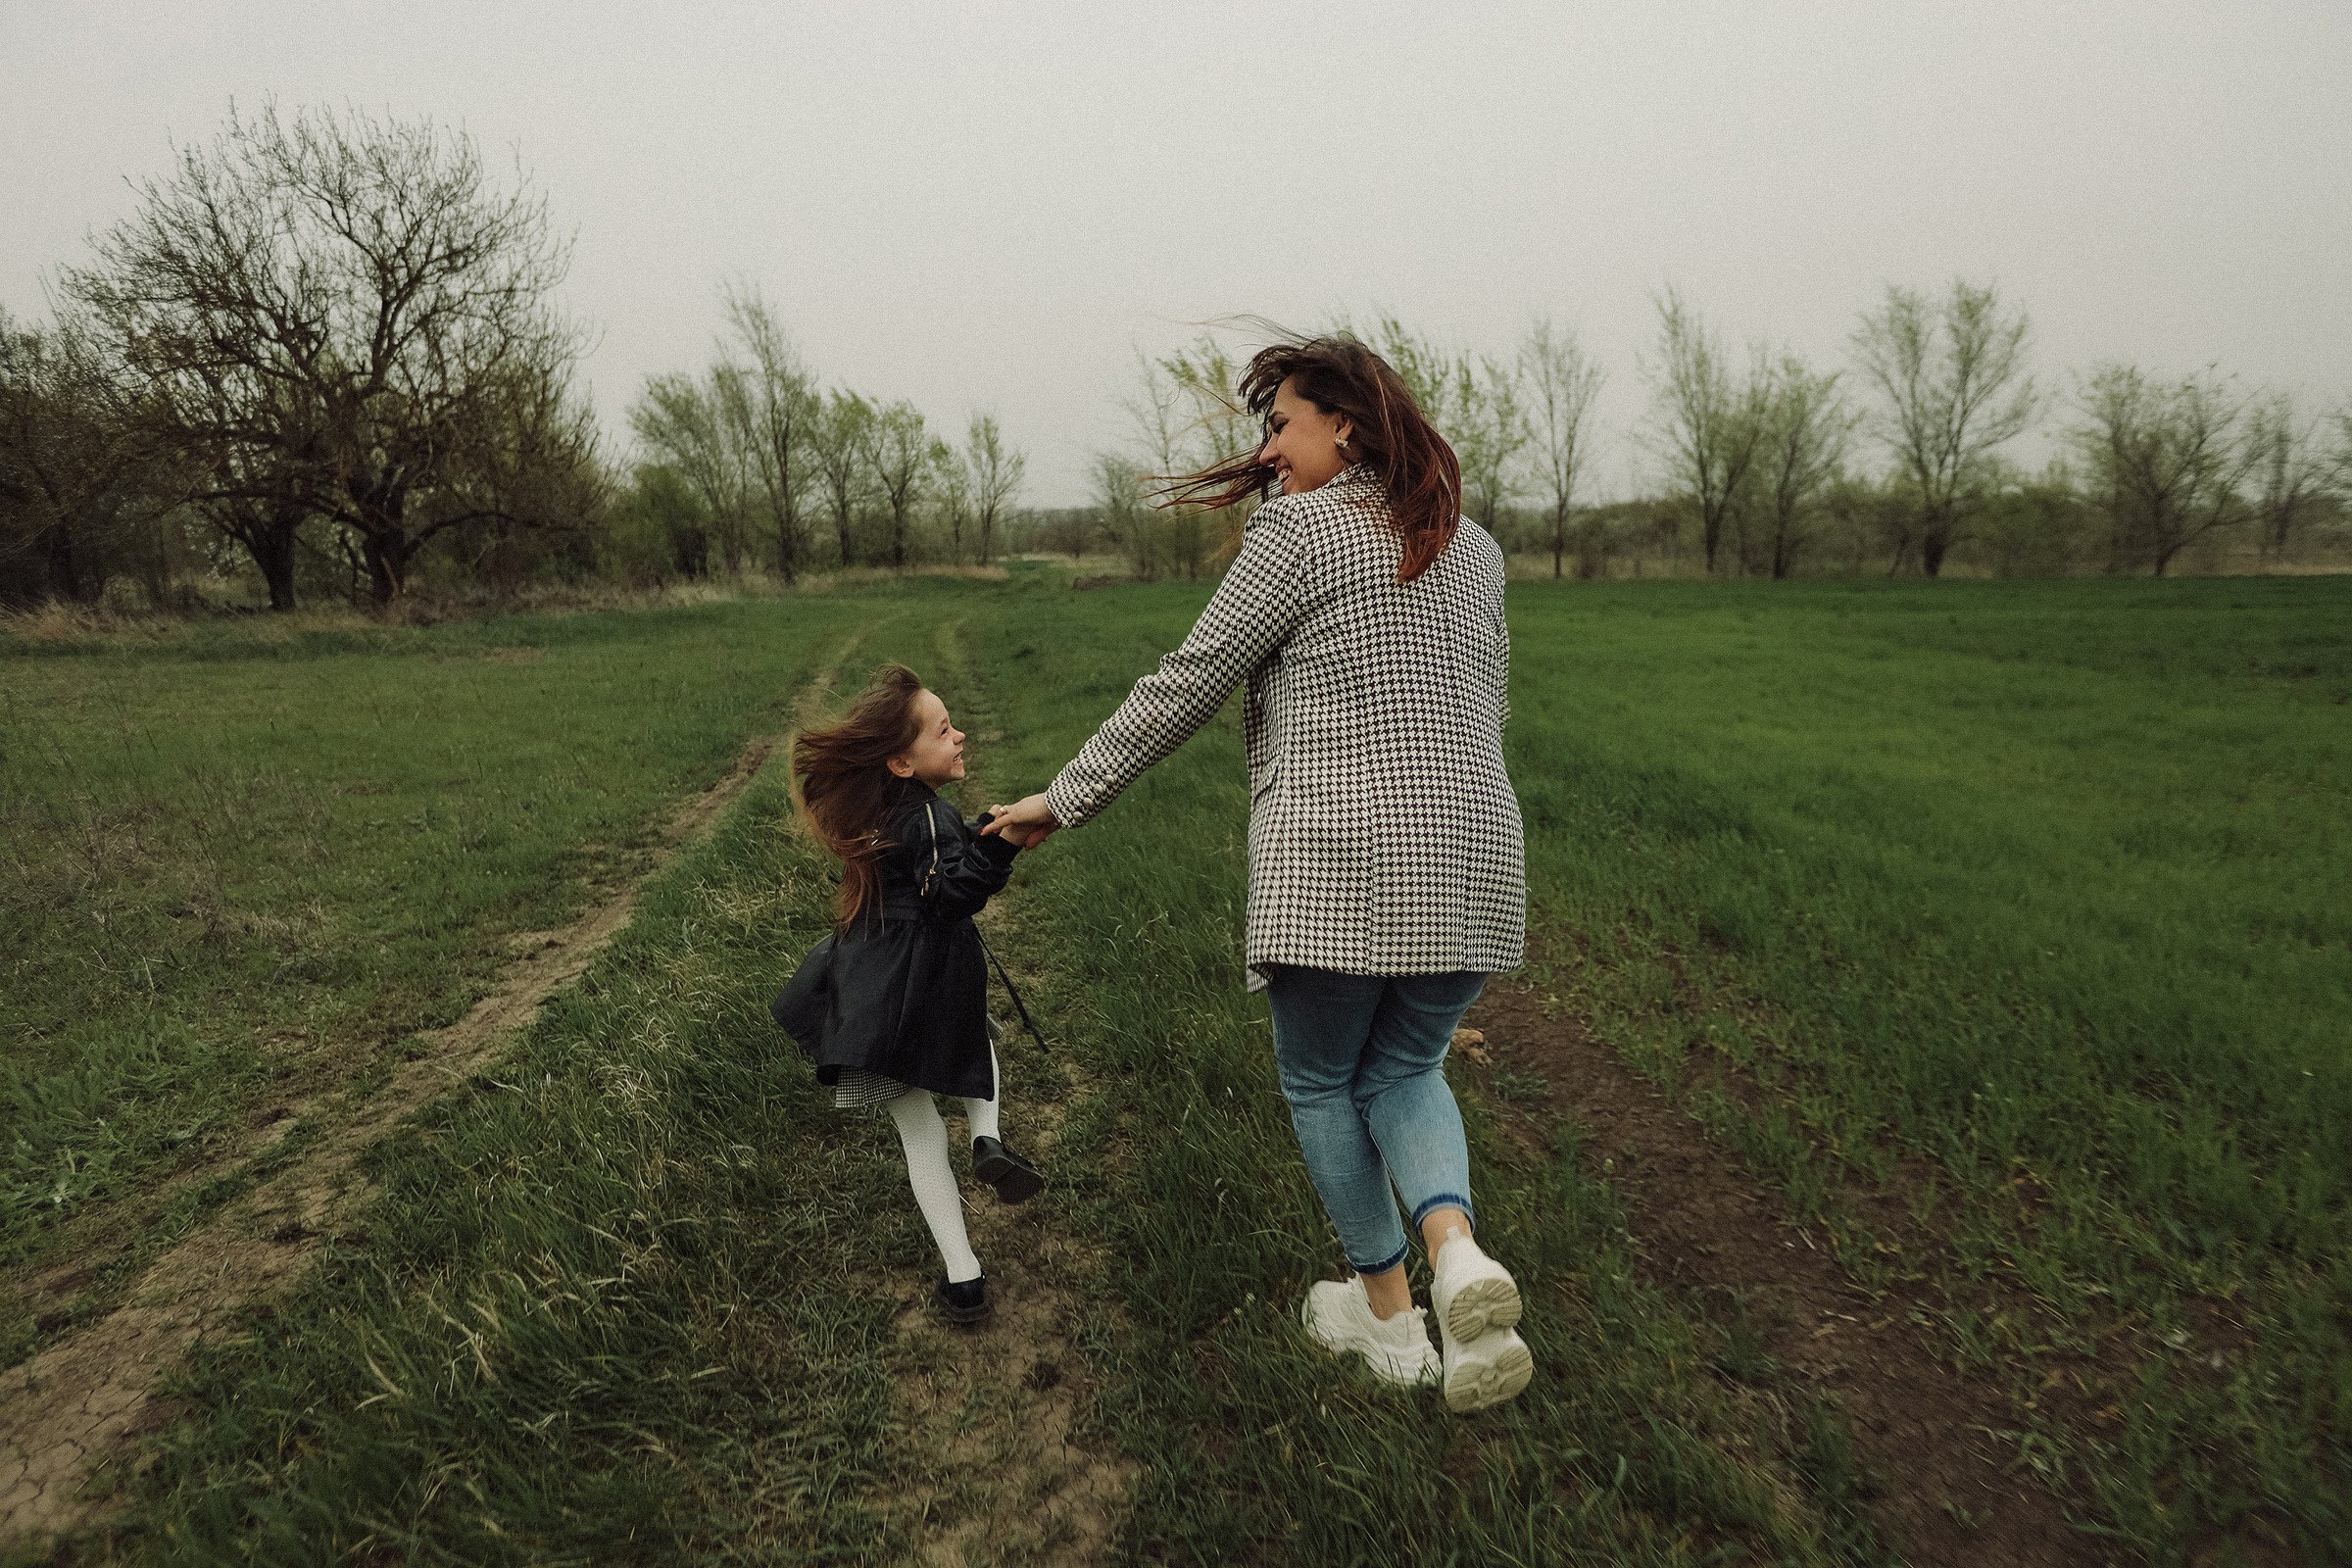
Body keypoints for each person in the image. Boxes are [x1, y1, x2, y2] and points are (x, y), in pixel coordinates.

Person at [984, 330, 1531, 1411]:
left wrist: (1066, 794)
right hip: (1478, 861)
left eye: (1281, 424)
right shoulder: (1477, 547)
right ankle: (1459, 1256)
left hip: (1341, 855)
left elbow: (1187, 680)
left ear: (1349, 422)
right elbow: (1493, 707)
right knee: (1407, 1070)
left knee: (1325, 1079)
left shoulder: (1299, 533)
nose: (1270, 452)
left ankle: (1389, 1320)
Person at [771, 663, 1047, 1326]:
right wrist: (1003, 844)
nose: (960, 737)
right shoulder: (928, 815)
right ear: (900, 761)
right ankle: (987, 1137)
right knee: (975, 1035)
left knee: (919, 1132)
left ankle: (965, 1279)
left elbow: (932, 861)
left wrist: (983, 829)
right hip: (929, 973)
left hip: (873, 986)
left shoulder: (887, 812)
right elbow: (949, 890)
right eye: (944, 730)